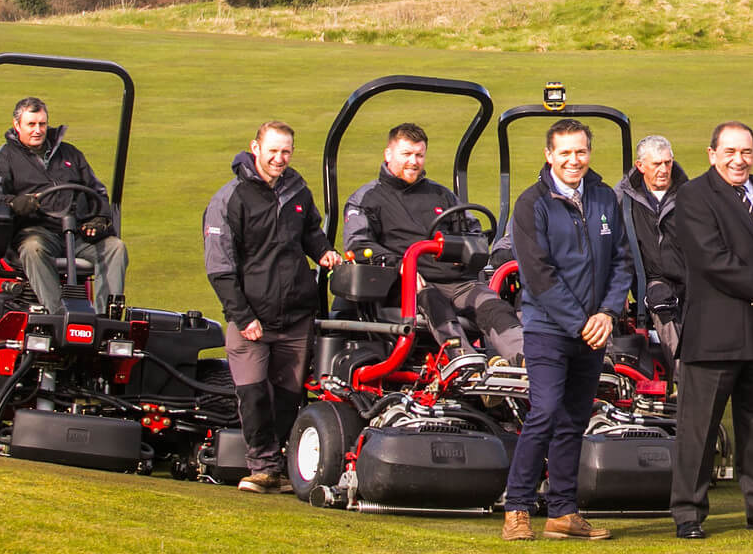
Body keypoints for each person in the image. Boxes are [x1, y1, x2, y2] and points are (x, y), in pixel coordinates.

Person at [668, 122, 753, 540]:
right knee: (699, 428)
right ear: (711, 154)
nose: (738, 160)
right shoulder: (693, 196)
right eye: (729, 151)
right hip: (716, 332)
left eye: (746, 151)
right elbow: (713, 260)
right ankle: (688, 513)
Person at [502, 119, 634, 541]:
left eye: (581, 152)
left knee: (575, 419)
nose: (574, 160)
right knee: (543, 412)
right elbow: (539, 276)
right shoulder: (531, 204)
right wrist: (581, 323)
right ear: (549, 155)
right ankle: (518, 507)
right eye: (565, 153)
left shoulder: (603, 198)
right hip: (548, 330)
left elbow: (622, 261)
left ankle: (563, 511)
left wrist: (608, 313)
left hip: (594, 330)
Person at [202, 121, 339, 495]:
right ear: (255, 148)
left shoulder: (297, 190)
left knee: (289, 396)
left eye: (286, 152)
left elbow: (311, 232)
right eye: (273, 151)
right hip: (252, 318)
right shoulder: (230, 199)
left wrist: (324, 252)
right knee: (254, 393)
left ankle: (280, 465)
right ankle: (261, 467)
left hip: (296, 315)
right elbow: (220, 268)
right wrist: (243, 317)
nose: (279, 158)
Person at [341, 122, 522, 361]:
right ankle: (465, 362)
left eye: (419, 155)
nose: (413, 162)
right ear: (388, 154)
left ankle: (526, 362)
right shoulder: (367, 198)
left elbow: (473, 229)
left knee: (492, 304)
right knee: (432, 299)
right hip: (406, 283)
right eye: (406, 154)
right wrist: (402, 265)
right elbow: (358, 244)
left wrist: (468, 254)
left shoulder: (441, 195)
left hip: (456, 281)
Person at [0, 95, 128, 316]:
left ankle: (106, 318)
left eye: (42, 124)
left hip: (76, 234)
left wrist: (100, 218)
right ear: (17, 125)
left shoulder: (70, 154)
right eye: (31, 124)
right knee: (33, 249)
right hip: (37, 231)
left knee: (116, 248)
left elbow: (98, 193)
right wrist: (14, 202)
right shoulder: (5, 156)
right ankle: (59, 316)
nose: (38, 130)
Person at [617, 134, 688, 362]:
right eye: (656, 164)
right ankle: (683, 380)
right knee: (663, 302)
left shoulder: (691, 194)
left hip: (689, 275)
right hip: (652, 279)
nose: (664, 169)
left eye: (668, 162)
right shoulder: (621, 198)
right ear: (640, 166)